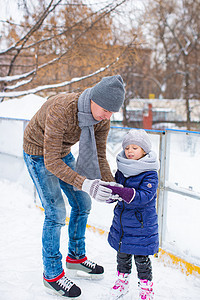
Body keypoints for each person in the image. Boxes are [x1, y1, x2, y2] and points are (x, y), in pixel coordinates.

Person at [23, 75, 125, 298]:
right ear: (94, 99)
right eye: (106, 110)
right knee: (56, 212)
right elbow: (50, 161)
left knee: (82, 202)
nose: (107, 117)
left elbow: (99, 155)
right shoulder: (63, 109)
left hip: (61, 152)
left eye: (112, 112)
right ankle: (52, 275)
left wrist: (110, 184)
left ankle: (76, 257)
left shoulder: (102, 119)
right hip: (38, 154)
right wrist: (86, 183)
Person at [107, 129, 160, 300]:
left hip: (141, 225)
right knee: (122, 255)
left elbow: (144, 197)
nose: (130, 151)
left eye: (135, 148)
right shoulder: (122, 170)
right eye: (127, 147)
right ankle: (122, 282)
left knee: (141, 258)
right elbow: (116, 189)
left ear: (144, 151)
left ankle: (146, 287)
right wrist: (111, 194)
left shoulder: (150, 173)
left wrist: (123, 193)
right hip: (122, 223)